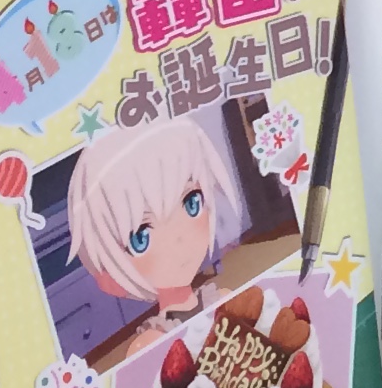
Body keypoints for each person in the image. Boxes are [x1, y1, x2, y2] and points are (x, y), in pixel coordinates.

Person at [66, 115, 247, 341]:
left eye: (191, 203)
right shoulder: (153, 340)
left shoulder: (221, 300)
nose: (179, 239)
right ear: (108, 278)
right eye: (140, 238)